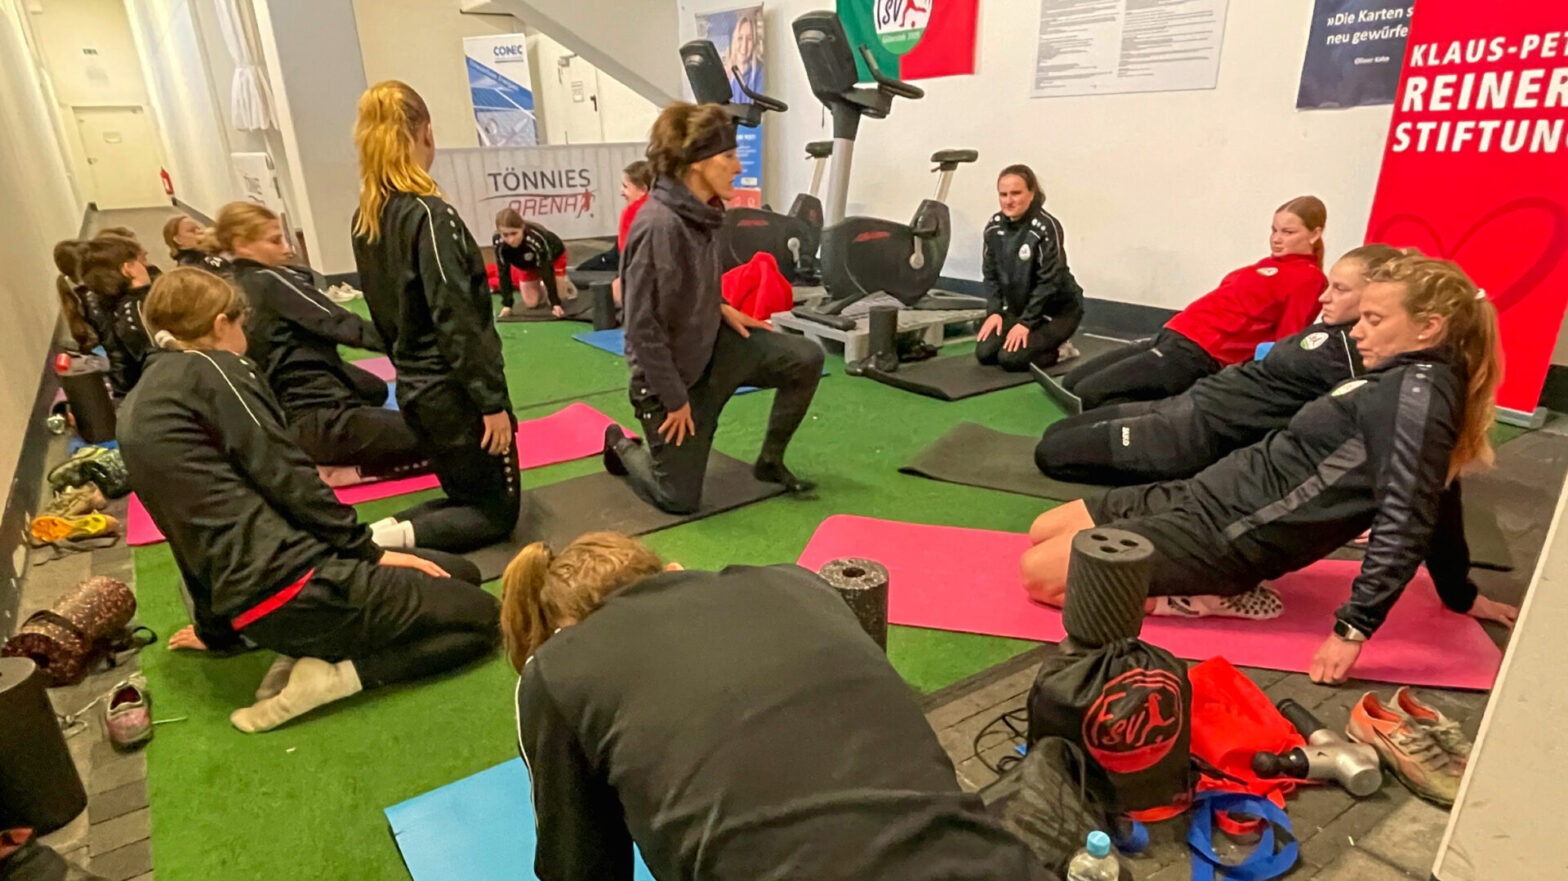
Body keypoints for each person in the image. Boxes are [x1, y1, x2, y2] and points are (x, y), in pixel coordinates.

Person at [1020, 253, 1520, 685]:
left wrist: (1354, 629)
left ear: (1428, 327)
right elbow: (1445, 492)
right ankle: (1188, 583)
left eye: (1373, 319)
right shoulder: (1401, 379)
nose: (1358, 331)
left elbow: (1411, 516)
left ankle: (1205, 597)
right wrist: (1459, 591)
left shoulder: (1415, 400)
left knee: (1041, 578)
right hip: (1207, 493)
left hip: (1231, 537)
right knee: (1045, 529)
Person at [505, 532, 1057, 881]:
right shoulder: (795, 582)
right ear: (670, 571)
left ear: (560, 632)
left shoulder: (557, 670)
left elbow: (579, 869)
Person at [118, 268, 500, 733]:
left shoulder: (139, 403)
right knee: (482, 619)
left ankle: (308, 644)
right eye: (242, 325)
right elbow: (289, 477)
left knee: (464, 574)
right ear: (221, 324)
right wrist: (368, 552)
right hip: (298, 588)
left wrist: (217, 631)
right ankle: (334, 677)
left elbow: (181, 532)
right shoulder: (217, 368)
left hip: (254, 605)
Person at [603, 102, 824, 514]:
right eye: (728, 157)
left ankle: (770, 463)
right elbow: (641, 329)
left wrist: (720, 304)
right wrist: (674, 399)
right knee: (679, 499)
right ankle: (620, 444)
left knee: (806, 357)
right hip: (672, 380)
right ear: (698, 164)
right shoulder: (658, 226)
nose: (737, 167)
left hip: (713, 349)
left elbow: (693, 280)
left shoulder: (702, 212)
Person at [1036, 244, 1401, 485]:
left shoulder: (1357, 354)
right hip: (1188, 402)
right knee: (1057, 430)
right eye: (1331, 286)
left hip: (1196, 432)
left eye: (1340, 290)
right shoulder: (1327, 327)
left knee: (1052, 454)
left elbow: (1353, 431)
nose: (1325, 297)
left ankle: (1167, 471)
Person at [350, 80, 521, 552]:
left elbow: (385, 315)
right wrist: (491, 403)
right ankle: (376, 546)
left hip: (416, 391)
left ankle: (368, 536)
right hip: (453, 395)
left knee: (464, 495)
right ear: (426, 132)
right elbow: (458, 317)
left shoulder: (368, 218)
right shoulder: (429, 216)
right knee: (496, 513)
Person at [219, 201, 427, 479]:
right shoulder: (270, 280)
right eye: (275, 240)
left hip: (285, 419)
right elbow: (338, 323)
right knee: (450, 435)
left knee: (375, 389)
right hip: (323, 423)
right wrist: (415, 343)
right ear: (242, 244)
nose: (286, 247)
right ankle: (353, 471)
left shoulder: (232, 285)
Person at [1060, 196, 1329, 411]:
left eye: (1288, 232)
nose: (1277, 238)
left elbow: (1287, 340)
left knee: (1088, 395)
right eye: (1274, 230)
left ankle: (1177, 410)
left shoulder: (1309, 279)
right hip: (1173, 334)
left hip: (1198, 354)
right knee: (1071, 382)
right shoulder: (1265, 265)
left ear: (1315, 234)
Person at [976, 164, 1084, 372]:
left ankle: (1062, 349)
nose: (1009, 200)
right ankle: (1030, 337)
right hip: (1020, 308)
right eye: (1003, 194)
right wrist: (995, 311)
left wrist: (1025, 323)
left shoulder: (1046, 227)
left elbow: (1049, 282)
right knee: (986, 354)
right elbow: (990, 275)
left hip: (1057, 312)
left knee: (1011, 360)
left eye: (1016, 193)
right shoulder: (994, 227)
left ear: (1031, 193)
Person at [80, 236, 154, 395]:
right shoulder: (140, 307)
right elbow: (160, 357)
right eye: (141, 261)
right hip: (147, 386)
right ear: (128, 268)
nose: (146, 265)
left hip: (127, 385)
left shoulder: (104, 301)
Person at [492, 207, 571, 318]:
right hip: (526, 265)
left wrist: (555, 303)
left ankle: (562, 282)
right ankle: (542, 288)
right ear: (499, 233)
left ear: (522, 228)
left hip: (553, 258)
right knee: (531, 303)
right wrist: (507, 304)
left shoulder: (535, 237)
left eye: (514, 233)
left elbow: (546, 269)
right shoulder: (498, 242)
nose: (510, 240)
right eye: (505, 235)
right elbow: (503, 272)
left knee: (559, 298)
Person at [610, 159, 653, 307]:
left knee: (616, 288)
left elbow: (626, 255)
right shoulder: (666, 207)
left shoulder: (632, 212)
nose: (622, 192)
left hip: (642, 276)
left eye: (626, 187)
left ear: (643, 189)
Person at [162, 214, 229, 273]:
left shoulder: (209, 251)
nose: (199, 232)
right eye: (192, 230)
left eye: (198, 228)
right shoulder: (190, 268)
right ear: (178, 240)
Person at [723, 10, 763, 104]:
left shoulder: (760, 74)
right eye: (740, 38)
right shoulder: (726, 75)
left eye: (749, 39)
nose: (744, 46)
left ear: (755, 43)